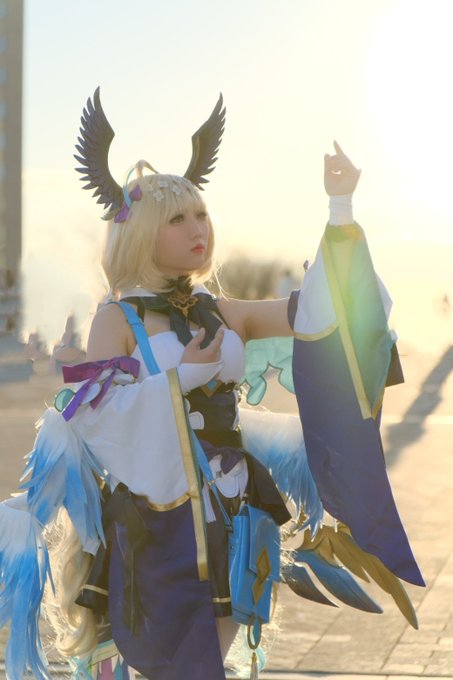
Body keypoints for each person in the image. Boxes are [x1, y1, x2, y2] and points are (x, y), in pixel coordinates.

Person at [0, 91, 424, 680]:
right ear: (140, 232)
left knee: (206, 666)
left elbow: (323, 318)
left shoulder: (223, 309)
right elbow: (95, 419)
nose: (197, 228)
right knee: (163, 665)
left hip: (235, 513)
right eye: (177, 219)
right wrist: (182, 380)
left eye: (201, 215)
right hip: (154, 526)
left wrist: (340, 206)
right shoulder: (116, 320)